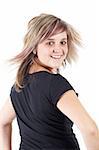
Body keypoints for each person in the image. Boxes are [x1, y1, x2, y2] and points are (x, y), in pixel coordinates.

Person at [0, 13, 99, 150]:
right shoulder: (54, 84)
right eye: (50, 42)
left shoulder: (18, 86)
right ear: (34, 47)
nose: (58, 49)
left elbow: (2, 122)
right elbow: (91, 131)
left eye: (63, 42)